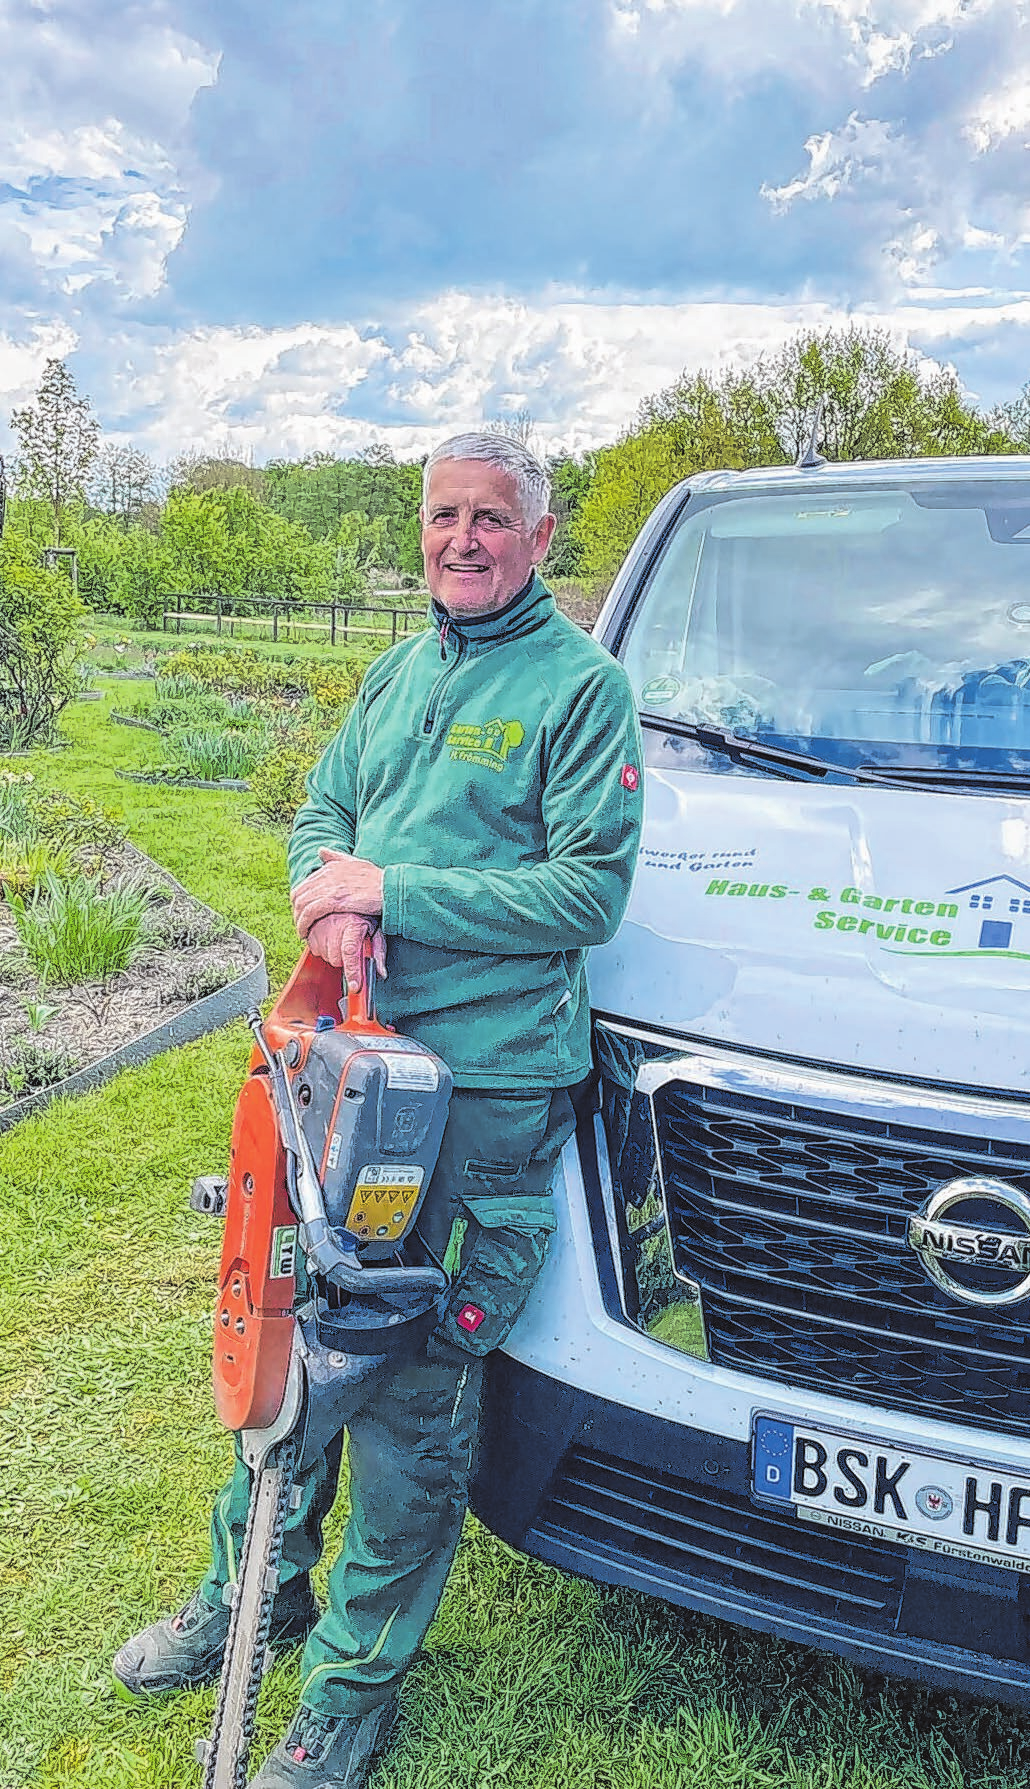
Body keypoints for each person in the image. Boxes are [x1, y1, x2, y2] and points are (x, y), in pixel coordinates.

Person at [112, 431, 644, 1787]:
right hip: (346, 1066)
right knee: (290, 1333)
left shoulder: (579, 692)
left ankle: (350, 1688)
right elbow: (323, 819)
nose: (459, 540)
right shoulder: (397, 670)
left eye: (488, 518)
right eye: (439, 516)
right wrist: (322, 893)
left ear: (539, 534)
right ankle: (253, 1600)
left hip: (481, 1086)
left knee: (411, 1377)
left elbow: (586, 894)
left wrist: (388, 895)